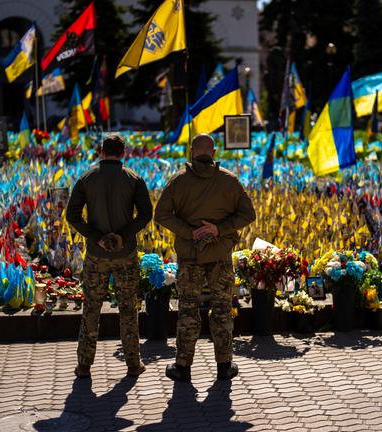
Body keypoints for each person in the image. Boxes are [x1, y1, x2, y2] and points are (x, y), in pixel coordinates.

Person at [155, 134, 256, 381]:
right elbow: (248, 214)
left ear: (191, 152)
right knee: (222, 309)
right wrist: (219, 229)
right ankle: (224, 366)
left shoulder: (178, 182)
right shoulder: (229, 182)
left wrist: (189, 232)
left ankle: (183, 367)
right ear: (213, 154)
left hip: (190, 258)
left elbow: (162, 215)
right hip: (220, 257)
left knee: (188, 310)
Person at [66, 134, 153, 378]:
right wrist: (124, 235)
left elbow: (72, 215)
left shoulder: (86, 179)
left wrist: (96, 237)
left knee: (91, 308)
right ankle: (133, 364)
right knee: (128, 308)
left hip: (96, 254)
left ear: (102, 151)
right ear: (123, 153)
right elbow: (146, 213)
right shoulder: (134, 179)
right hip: (125, 253)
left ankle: (84, 364)